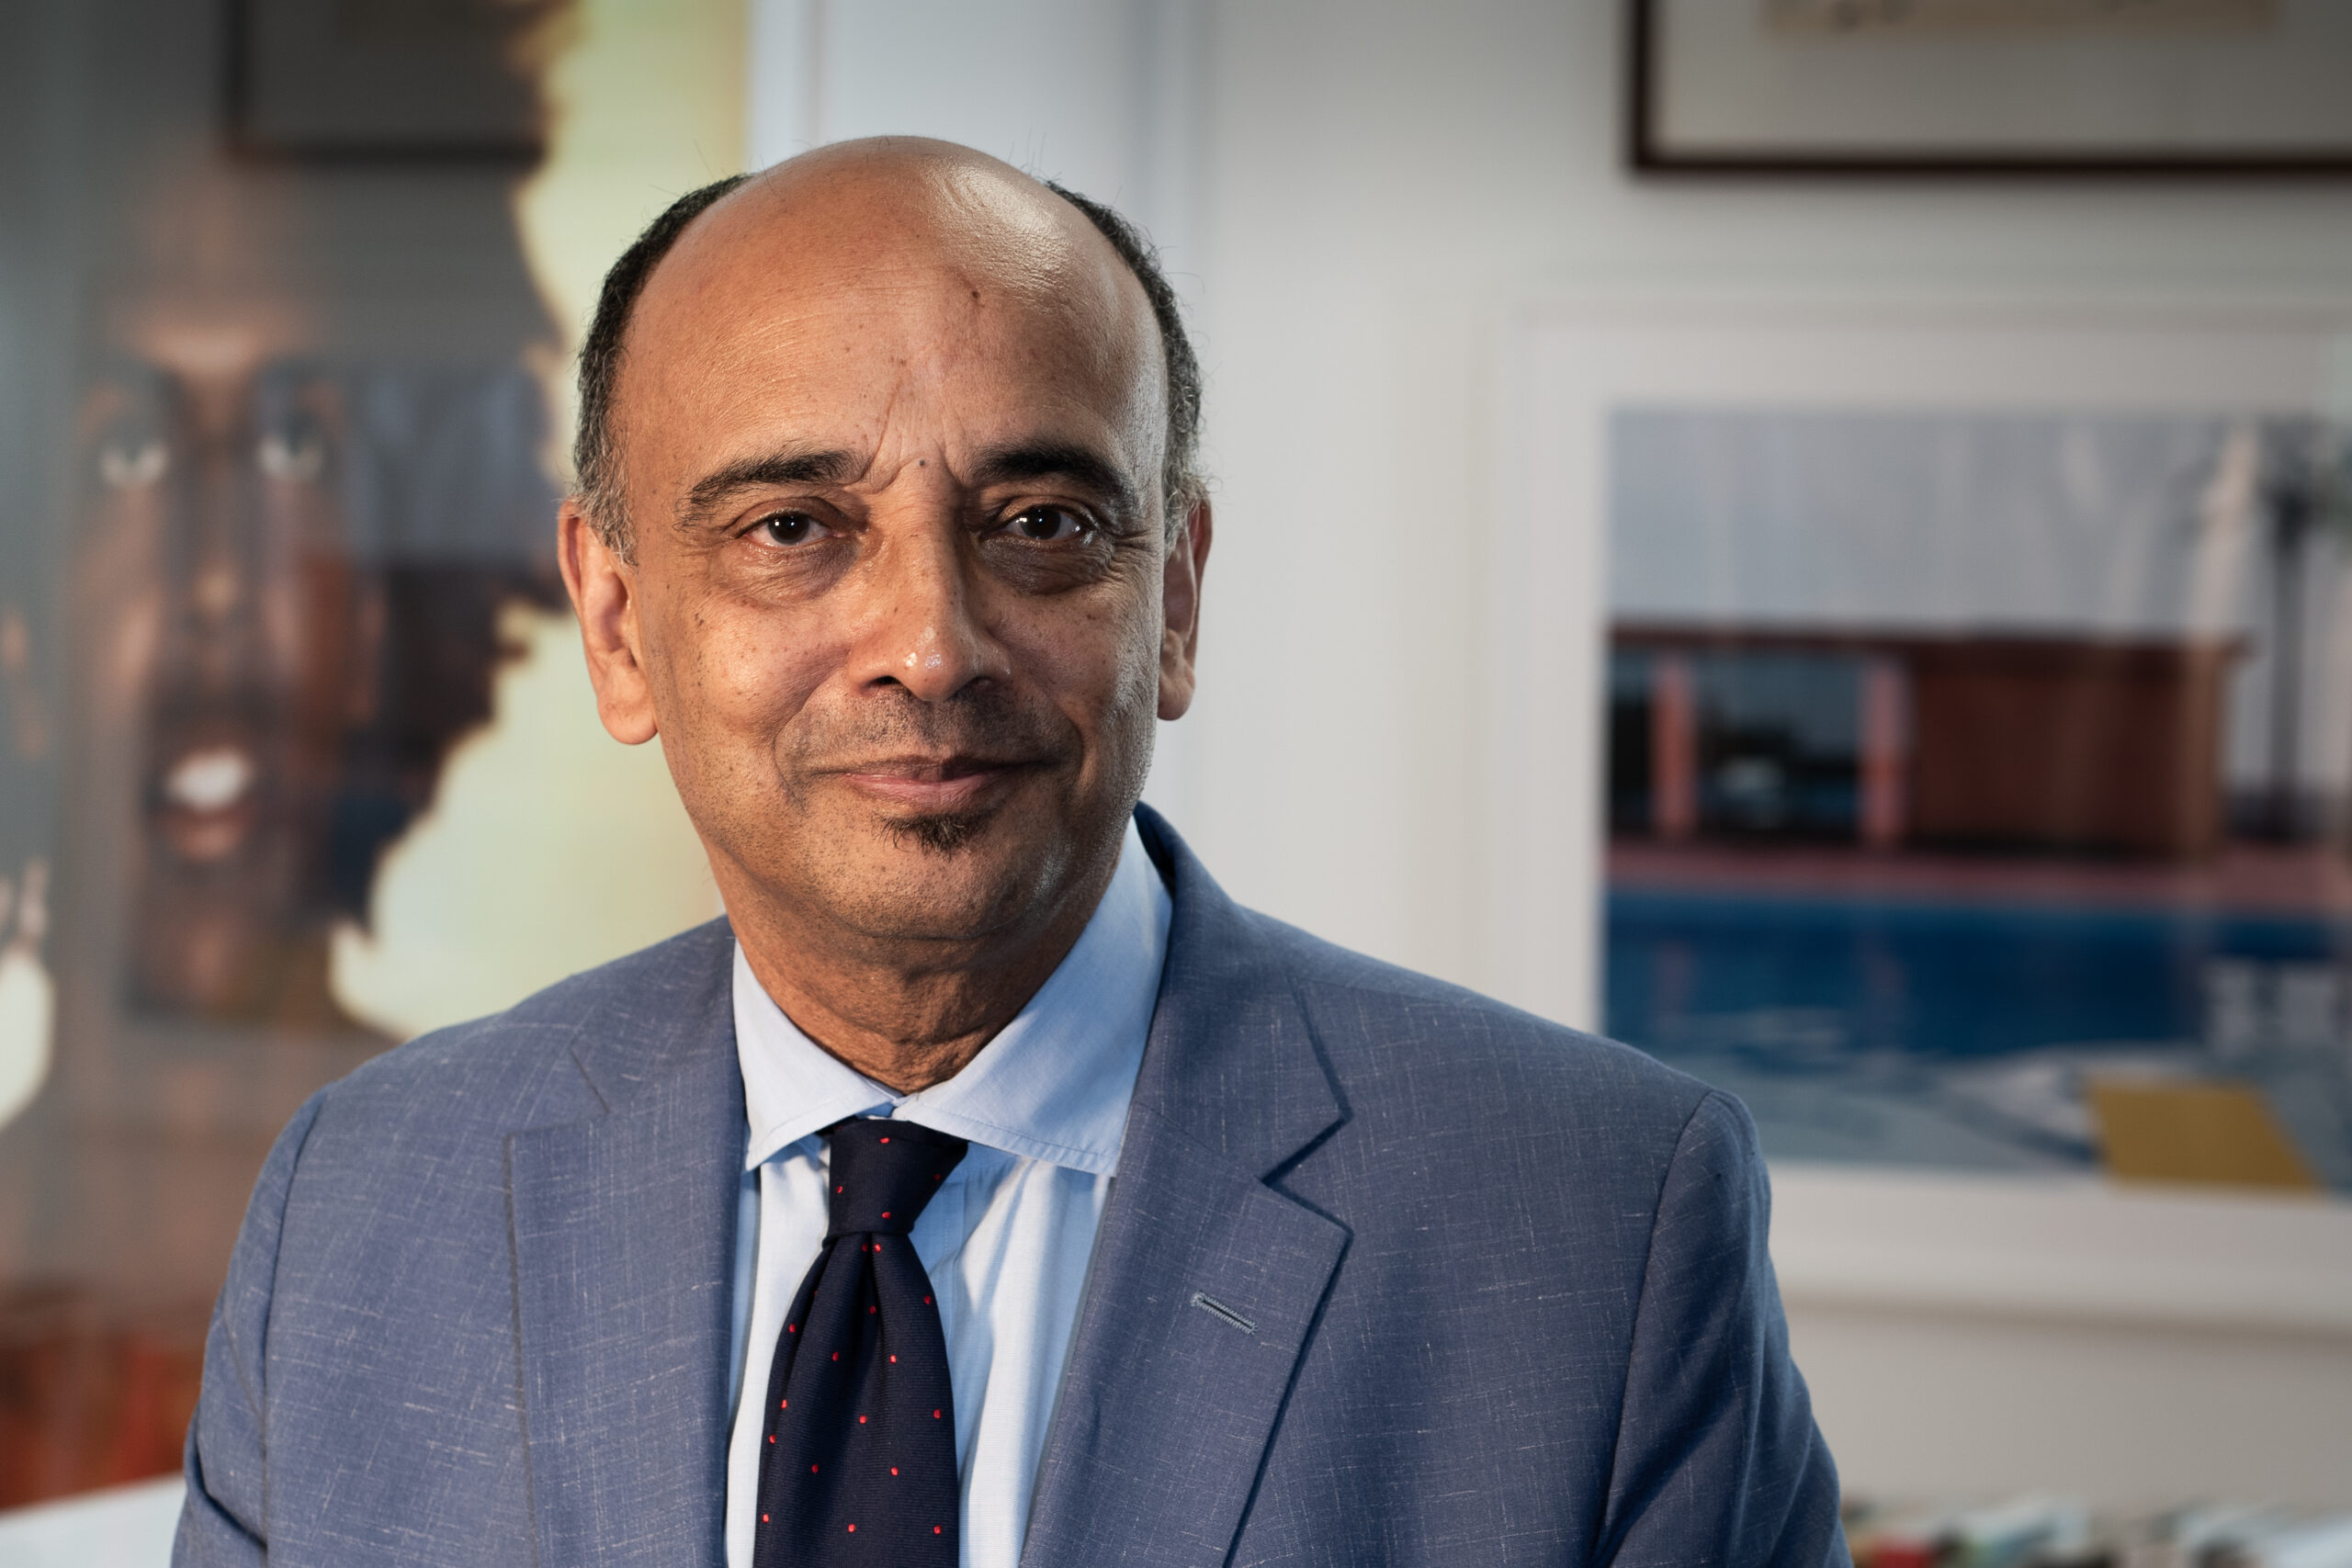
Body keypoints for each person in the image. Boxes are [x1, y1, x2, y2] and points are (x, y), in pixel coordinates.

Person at [175, 138, 1847, 1568]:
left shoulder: (1603, 1231)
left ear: (1172, 599)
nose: (929, 644)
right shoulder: (358, 1208)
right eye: (792, 529)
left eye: (1041, 525)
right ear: (617, 626)